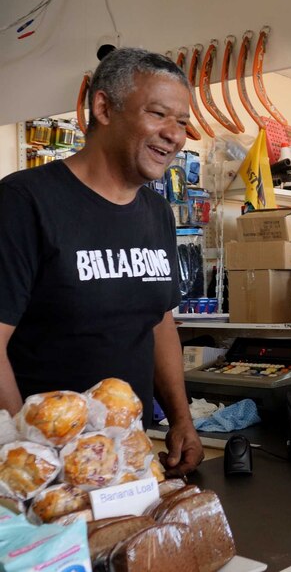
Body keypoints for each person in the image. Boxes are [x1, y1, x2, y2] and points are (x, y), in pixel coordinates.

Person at [0, 48, 203, 476]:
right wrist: (26, 458)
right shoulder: (24, 201)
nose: (174, 134)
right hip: (46, 465)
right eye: (159, 114)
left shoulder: (156, 212)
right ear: (104, 108)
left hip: (127, 459)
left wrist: (181, 418)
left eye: (182, 122)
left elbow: (158, 321)